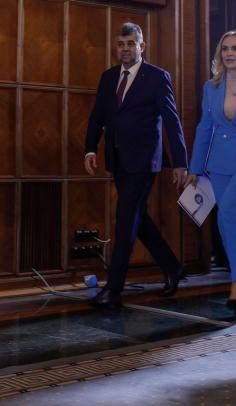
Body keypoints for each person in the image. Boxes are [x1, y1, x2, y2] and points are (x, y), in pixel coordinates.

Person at [84, 22, 189, 308]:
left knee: (125, 219)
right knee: (136, 218)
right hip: (117, 159)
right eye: (121, 44)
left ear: (142, 46)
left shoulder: (157, 77)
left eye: (131, 43)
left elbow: (172, 120)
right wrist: (90, 148)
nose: (126, 49)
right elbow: (97, 117)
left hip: (144, 161)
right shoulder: (108, 77)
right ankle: (172, 266)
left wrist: (180, 162)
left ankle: (113, 289)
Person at [185, 31, 236, 318]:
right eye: (225, 49)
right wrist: (195, 167)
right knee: (228, 219)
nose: (230, 53)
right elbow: (205, 127)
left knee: (228, 211)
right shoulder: (211, 86)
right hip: (219, 162)